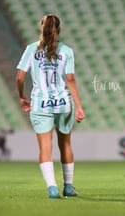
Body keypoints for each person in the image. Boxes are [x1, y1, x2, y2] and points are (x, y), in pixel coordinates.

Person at [16, 14, 85, 198]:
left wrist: (22, 96)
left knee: (45, 148)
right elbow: (70, 80)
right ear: (59, 30)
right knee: (66, 145)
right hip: (64, 104)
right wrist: (79, 106)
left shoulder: (31, 49)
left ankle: (52, 188)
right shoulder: (67, 51)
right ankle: (68, 186)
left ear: (41, 28)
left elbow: (20, 77)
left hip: (41, 104)